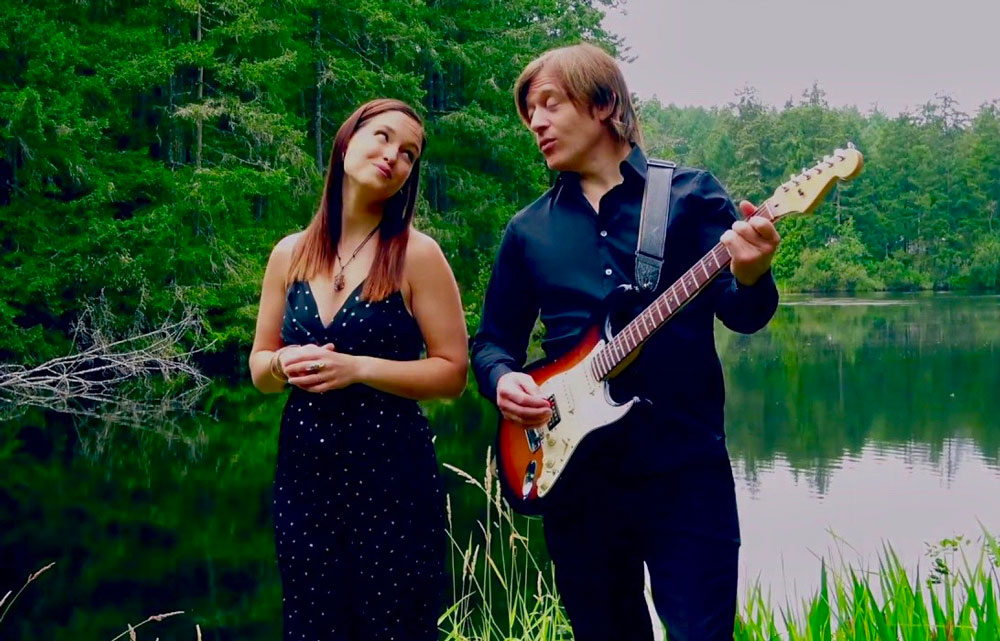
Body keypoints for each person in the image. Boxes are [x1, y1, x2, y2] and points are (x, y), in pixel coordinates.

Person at [471, 44, 780, 641]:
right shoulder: (528, 230)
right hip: (575, 478)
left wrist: (751, 273)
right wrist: (504, 380)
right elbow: (491, 343)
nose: (536, 123)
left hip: (685, 470)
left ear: (604, 103)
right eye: (529, 112)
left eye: (550, 104)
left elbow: (744, 315)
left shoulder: (690, 196)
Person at [249, 98, 468, 640]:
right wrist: (280, 362)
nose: (394, 156)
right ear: (347, 141)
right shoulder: (289, 254)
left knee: (396, 627)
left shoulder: (417, 255)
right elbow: (259, 367)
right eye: (383, 137)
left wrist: (360, 368)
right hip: (304, 479)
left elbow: (452, 373)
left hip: (393, 480)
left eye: (409, 153)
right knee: (312, 626)